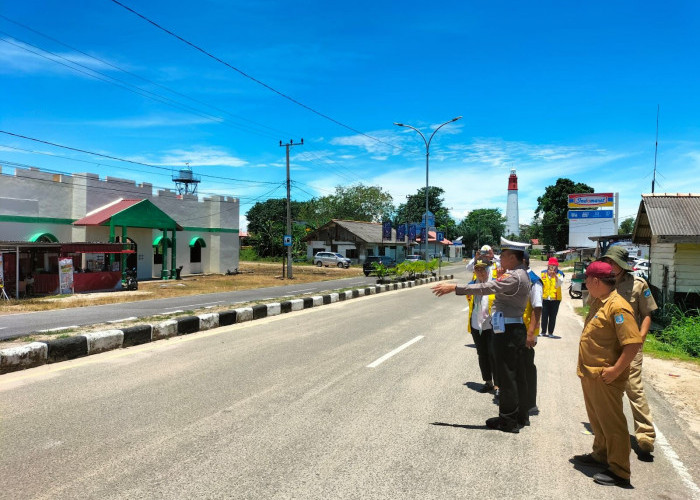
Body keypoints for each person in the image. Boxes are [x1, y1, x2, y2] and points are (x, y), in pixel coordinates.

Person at [433, 237, 531, 433]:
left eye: (502, 256)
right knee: (515, 375)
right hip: (511, 329)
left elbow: (489, 287)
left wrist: (455, 288)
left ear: (512, 257)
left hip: (509, 332)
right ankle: (519, 415)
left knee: (507, 377)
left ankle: (508, 420)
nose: (499, 260)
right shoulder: (518, 274)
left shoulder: (515, 277)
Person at [572, 260, 642, 487]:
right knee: (598, 420)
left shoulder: (617, 306)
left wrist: (616, 370)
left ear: (595, 280)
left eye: (587, 280)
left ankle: (620, 471)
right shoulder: (598, 301)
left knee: (612, 424)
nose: (585, 284)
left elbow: (633, 343)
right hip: (592, 374)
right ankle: (601, 455)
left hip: (606, 376)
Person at [601, 246, 658, 455]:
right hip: (607, 344)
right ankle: (608, 433)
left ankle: (645, 435)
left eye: (614, 262)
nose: (611, 266)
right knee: (606, 388)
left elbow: (647, 314)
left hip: (629, 345)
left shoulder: (638, 285)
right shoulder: (603, 282)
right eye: (608, 262)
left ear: (623, 264)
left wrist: (640, 339)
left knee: (633, 388)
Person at [465, 256, 498, 393]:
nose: (480, 273)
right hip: (476, 325)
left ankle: (498, 384)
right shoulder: (471, 284)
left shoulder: (495, 284)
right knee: (482, 354)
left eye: (483, 269)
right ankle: (488, 382)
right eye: (477, 270)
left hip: (491, 326)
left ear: (488, 269)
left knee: (494, 354)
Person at [523, 251, 543, 415]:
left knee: (527, 366)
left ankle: (530, 403)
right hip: (517, 329)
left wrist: (531, 334)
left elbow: (537, 308)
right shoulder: (518, 276)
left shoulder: (534, 281)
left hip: (527, 331)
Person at [540, 257, 565, 337]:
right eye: (551, 266)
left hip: (555, 299)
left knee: (552, 316)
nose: (552, 267)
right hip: (545, 298)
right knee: (544, 315)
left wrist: (555, 276)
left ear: (557, 266)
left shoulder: (560, 274)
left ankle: (550, 333)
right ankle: (543, 332)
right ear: (548, 266)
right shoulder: (543, 273)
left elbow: (559, 284)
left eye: (554, 266)